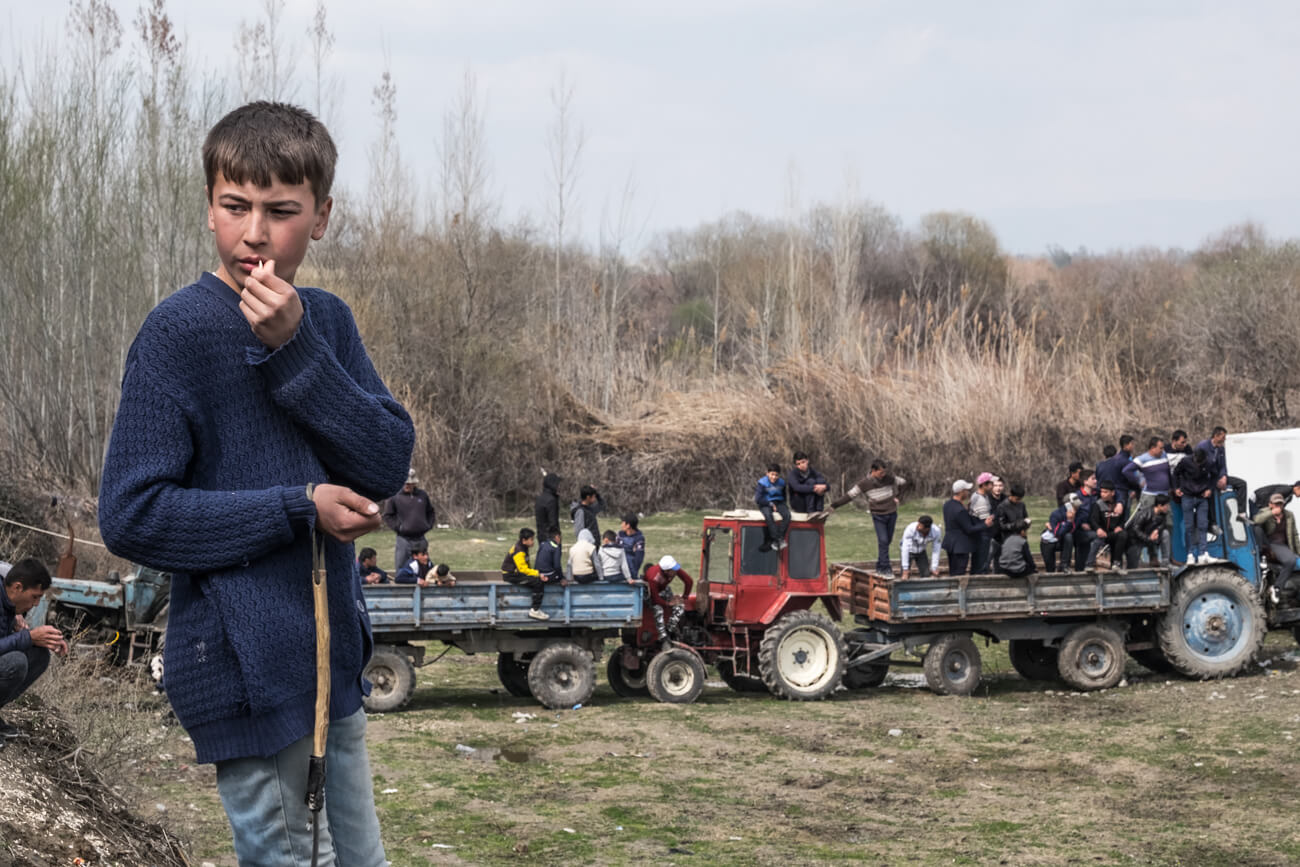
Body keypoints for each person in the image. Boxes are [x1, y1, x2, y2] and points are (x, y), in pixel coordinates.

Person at [97, 101, 412, 864]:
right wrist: (296, 506)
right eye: (236, 206)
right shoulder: (178, 334)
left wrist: (297, 348)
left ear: (322, 216)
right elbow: (131, 515)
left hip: (331, 668)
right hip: (244, 665)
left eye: (281, 210)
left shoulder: (326, 322)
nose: (257, 233)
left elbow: (385, 460)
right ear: (210, 209)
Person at [0, 560, 68, 746]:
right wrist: (29, 637)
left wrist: (46, 639)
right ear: (17, 587)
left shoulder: (9, 602)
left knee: (39, 655)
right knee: (16, 662)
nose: (37, 604)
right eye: (34, 597)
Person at [831, 460, 908, 574]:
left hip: (891, 513)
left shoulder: (889, 478)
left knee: (887, 541)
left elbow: (904, 482)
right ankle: (886, 568)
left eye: (884, 472)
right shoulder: (864, 483)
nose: (883, 475)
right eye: (881, 473)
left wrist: (898, 496)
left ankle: (880, 566)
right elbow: (850, 495)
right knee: (883, 540)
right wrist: (834, 505)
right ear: (873, 471)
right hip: (878, 515)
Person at [382, 468, 436, 573]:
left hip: (420, 537)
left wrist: (428, 525)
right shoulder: (394, 496)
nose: (407, 485)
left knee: (423, 566)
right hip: (404, 538)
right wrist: (399, 527)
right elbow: (387, 515)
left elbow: (431, 511)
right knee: (401, 566)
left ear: (414, 483)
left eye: (409, 483)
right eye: (405, 483)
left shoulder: (422, 495)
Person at [1253, 493, 1300, 604]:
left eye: (1281, 503)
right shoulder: (1265, 512)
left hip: (1283, 545)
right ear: (1270, 504)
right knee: (1257, 528)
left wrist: (1298, 551)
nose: (1279, 506)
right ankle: (1276, 587)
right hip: (1270, 544)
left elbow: (1294, 534)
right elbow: (1256, 520)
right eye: (1276, 504)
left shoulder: (1289, 515)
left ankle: (1283, 592)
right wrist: (1271, 513)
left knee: (1292, 560)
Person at [941, 481, 992, 577]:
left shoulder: (947, 504)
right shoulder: (960, 510)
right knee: (959, 574)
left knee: (953, 572)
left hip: (950, 543)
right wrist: (985, 524)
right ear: (961, 492)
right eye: (966, 490)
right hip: (960, 546)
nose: (968, 493)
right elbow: (969, 529)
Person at [1174, 447, 1215, 565]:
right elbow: (1176, 473)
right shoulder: (1185, 461)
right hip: (1187, 495)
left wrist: (1209, 489)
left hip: (1202, 496)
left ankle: (1203, 553)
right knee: (1189, 527)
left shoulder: (1209, 462)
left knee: (1203, 525)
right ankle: (1190, 554)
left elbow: (1214, 476)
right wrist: (1177, 487)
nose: (1198, 464)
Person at [643, 555, 694, 647]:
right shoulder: (654, 577)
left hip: (661, 591)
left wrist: (684, 597)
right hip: (648, 594)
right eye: (673, 570)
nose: (676, 571)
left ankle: (669, 630)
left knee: (680, 607)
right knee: (658, 609)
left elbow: (688, 581)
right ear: (666, 571)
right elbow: (655, 598)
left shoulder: (673, 569)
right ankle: (663, 637)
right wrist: (667, 603)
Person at [502, 529, 550, 620]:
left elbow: (525, 566)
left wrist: (534, 573)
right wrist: (537, 574)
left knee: (536, 578)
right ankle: (535, 610)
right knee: (537, 582)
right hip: (511, 575)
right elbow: (523, 569)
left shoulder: (523, 547)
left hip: (515, 573)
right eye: (531, 539)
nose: (533, 542)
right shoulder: (519, 551)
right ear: (524, 540)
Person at [1085, 482, 1128, 572]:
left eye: (1105, 492)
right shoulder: (1098, 504)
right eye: (1101, 492)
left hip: (1113, 533)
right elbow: (1093, 520)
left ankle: (1116, 563)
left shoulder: (1119, 505)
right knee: (1097, 539)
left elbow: (1123, 519)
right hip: (1102, 532)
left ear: (1112, 493)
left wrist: (1120, 526)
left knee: (1123, 535)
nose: (1102, 494)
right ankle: (1089, 564)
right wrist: (1098, 529)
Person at [1123, 437, 1171, 514]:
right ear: (1152, 448)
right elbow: (1126, 470)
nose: (1162, 450)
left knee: (1167, 521)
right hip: (1150, 495)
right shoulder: (1142, 459)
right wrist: (1138, 481)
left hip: (1164, 494)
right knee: (1148, 518)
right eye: (1160, 448)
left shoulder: (1164, 455)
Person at [1126, 494, 1171, 568]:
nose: (1168, 508)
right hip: (1136, 540)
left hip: (1150, 538)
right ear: (1159, 505)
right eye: (1166, 505)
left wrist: (1157, 530)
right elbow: (1135, 530)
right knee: (1132, 566)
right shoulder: (1144, 514)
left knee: (1165, 533)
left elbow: (1163, 524)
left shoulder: (1163, 514)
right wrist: (1148, 538)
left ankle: (1165, 562)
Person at [754, 463, 791, 552]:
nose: (774, 477)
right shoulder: (762, 483)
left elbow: (784, 495)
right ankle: (777, 539)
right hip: (765, 502)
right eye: (772, 474)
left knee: (787, 516)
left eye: (776, 475)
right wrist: (770, 504)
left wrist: (782, 506)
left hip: (779, 502)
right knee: (768, 516)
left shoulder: (782, 483)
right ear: (767, 473)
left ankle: (778, 539)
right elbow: (758, 499)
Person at [1041, 493, 1081, 573]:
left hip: (1062, 542)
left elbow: (1072, 530)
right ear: (1068, 505)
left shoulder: (1077, 514)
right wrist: (1069, 521)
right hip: (1048, 543)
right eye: (1075, 505)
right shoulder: (1056, 514)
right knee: (1050, 569)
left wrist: (1071, 521)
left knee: (1069, 536)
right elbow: (1058, 533)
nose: (1077, 507)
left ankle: (1064, 565)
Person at [968, 473, 996, 574]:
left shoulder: (983, 496)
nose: (992, 486)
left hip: (980, 533)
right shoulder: (980, 500)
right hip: (982, 536)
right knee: (981, 563)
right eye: (991, 483)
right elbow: (987, 522)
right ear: (984, 485)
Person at [995, 483, 1032, 559]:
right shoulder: (1002, 507)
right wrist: (1018, 525)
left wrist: (1024, 528)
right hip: (1008, 537)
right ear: (1011, 495)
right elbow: (1002, 526)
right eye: (1017, 499)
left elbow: (1025, 517)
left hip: (1021, 536)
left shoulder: (1021, 505)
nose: (1018, 501)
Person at [1072, 471, 1099, 571]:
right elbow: (1071, 514)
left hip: (1091, 528)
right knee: (1096, 538)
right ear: (1085, 482)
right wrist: (1081, 523)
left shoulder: (1096, 495)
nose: (1096, 481)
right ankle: (1088, 564)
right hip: (1079, 530)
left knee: (1083, 555)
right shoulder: (1076, 496)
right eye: (1093, 479)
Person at [534, 472, 563, 543]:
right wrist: (556, 536)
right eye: (557, 484)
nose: (558, 486)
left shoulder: (539, 498)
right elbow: (553, 522)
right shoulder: (551, 500)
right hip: (551, 537)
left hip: (541, 535)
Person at [618, 514, 646, 579]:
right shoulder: (619, 535)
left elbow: (638, 558)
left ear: (628, 525)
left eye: (623, 523)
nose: (621, 525)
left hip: (631, 572)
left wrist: (633, 573)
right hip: (618, 570)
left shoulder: (639, 538)